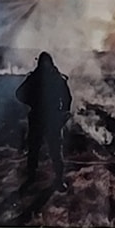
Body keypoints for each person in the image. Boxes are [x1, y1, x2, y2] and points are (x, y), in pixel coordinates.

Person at [17, 52, 72, 195]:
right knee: (36, 150)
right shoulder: (37, 78)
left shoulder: (55, 78)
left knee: (54, 151)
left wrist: (64, 113)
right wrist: (33, 103)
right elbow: (20, 94)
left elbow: (67, 98)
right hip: (41, 118)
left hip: (50, 118)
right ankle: (33, 177)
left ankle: (58, 179)